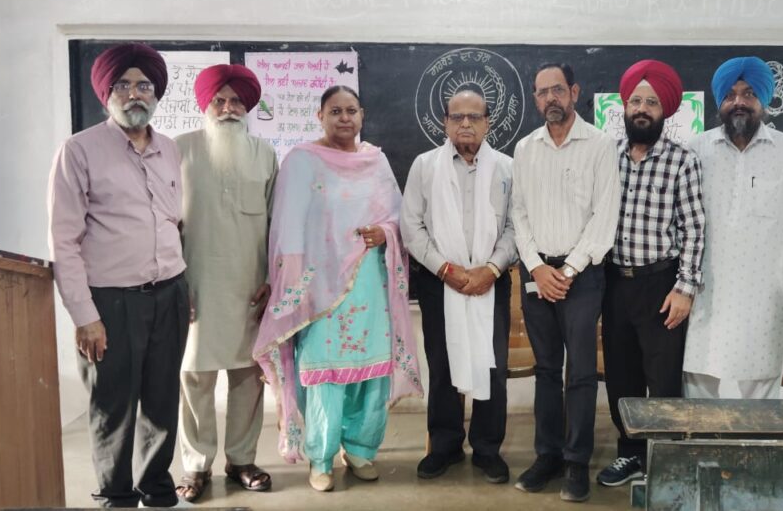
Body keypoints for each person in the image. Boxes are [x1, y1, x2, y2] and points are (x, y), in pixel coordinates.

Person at [252, 85, 423, 493]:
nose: (344, 118)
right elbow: (288, 225)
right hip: (318, 287)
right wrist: (290, 283)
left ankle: (361, 449)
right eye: (335, 111)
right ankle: (322, 456)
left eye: (351, 110)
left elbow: (399, 217)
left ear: (362, 115)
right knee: (323, 372)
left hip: (370, 282)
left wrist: (384, 233)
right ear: (320, 116)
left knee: (373, 372)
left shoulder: (376, 160)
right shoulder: (302, 161)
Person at [49, 43, 189, 508]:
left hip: (170, 292)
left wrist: (181, 287)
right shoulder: (79, 150)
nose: (134, 94)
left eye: (144, 85)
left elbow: (172, 222)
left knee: (162, 399)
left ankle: (157, 488)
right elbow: (64, 241)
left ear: (156, 93)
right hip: (111, 301)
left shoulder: (169, 149)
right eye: (123, 85)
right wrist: (84, 316)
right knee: (113, 404)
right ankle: (116, 495)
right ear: (106, 94)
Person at [510, 63, 621, 503]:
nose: (550, 98)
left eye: (557, 90)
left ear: (574, 92)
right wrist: (537, 268)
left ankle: (576, 462)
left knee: (580, 372)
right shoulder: (525, 149)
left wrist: (569, 270)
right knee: (545, 370)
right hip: (537, 273)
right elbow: (518, 213)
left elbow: (604, 215)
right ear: (535, 99)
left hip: (583, 275)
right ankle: (548, 456)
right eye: (542, 92)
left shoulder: (600, 145)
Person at [683, 56, 783, 400]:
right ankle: (702, 439)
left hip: (765, 292)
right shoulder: (696, 149)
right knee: (698, 383)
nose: (739, 102)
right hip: (705, 290)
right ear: (720, 102)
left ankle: (759, 438)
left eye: (749, 94)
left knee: (762, 388)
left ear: (763, 100)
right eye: (730, 95)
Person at [597, 60, 705, 488]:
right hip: (613, 283)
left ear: (666, 111)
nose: (642, 108)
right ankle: (630, 454)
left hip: (662, 285)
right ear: (625, 106)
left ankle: (664, 460)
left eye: (652, 102)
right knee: (621, 376)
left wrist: (685, 289)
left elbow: (695, 229)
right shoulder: (606, 157)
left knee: (662, 378)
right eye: (636, 101)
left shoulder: (683, 161)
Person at [401, 88, 516, 483]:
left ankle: (487, 448)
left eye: (474, 116)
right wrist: (445, 269)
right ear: (445, 122)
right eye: (457, 117)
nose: (466, 123)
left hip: (491, 281)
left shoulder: (507, 168)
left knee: (492, 366)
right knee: (443, 364)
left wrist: (492, 269)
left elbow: (517, 225)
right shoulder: (424, 166)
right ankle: (445, 446)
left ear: (487, 123)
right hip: (439, 282)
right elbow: (411, 226)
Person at [173, 64, 277, 502]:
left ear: (247, 107)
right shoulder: (177, 150)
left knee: (247, 376)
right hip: (193, 283)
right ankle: (196, 466)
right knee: (194, 376)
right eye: (220, 100)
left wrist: (271, 278)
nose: (229, 108)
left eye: (236, 101)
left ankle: (242, 460)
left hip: (250, 285)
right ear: (206, 105)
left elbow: (277, 225)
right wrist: (175, 284)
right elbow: (163, 224)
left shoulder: (265, 154)